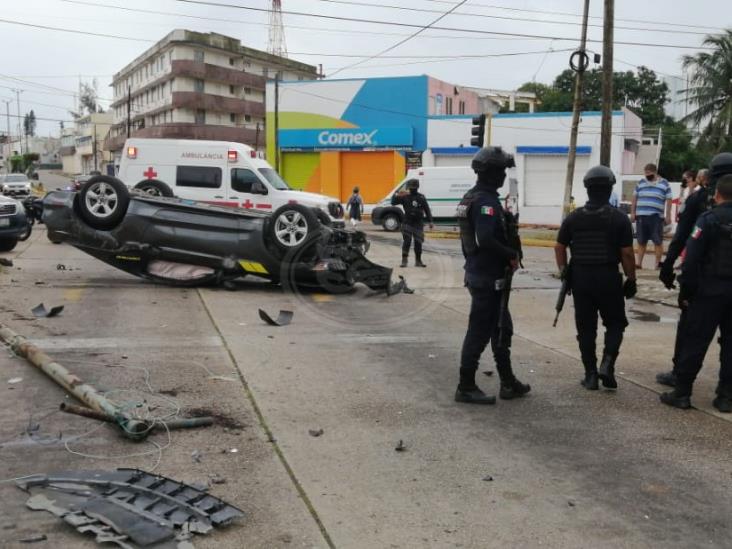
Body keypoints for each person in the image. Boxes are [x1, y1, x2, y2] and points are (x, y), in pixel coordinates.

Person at [454, 146, 530, 404]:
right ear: (491, 173)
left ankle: (508, 382)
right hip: (486, 277)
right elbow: (485, 239)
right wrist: (510, 253)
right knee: (480, 331)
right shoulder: (485, 201)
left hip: (482, 274)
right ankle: (465, 386)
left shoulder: (472, 197)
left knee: (501, 328)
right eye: (501, 172)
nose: (503, 177)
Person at [555, 166, 637, 390]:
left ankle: (590, 375)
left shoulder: (574, 217)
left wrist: (564, 272)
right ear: (610, 189)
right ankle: (607, 365)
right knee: (616, 323)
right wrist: (631, 279)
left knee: (586, 328)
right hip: (608, 277)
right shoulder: (619, 218)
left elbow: (559, 246)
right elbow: (627, 254)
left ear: (587, 189)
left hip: (581, 278)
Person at [660, 174, 732, 413]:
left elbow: (690, 262)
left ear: (718, 194)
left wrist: (686, 293)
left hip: (708, 292)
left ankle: (682, 392)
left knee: (695, 341)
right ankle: (726, 397)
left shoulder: (708, 220)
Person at [631, 163, 672, 269]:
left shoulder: (665, 183)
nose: (646, 175)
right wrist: (633, 213)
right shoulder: (640, 183)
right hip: (641, 216)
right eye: (645, 173)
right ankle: (639, 263)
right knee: (641, 241)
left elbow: (669, 200)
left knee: (657, 241)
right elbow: (634, 198)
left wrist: (668, 215)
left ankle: (657, 264)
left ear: (654, 172)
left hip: (656, 217)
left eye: (648, 173)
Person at [391, 179, 433, 268]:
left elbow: (427, 209)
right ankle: (404, 261)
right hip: (407, 223)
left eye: (414, 187)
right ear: (409, 188)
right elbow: (393, 202)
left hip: (418, 223)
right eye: (411, 188)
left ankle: (418, 261)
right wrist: (396, 193)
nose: (413, 189)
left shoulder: (421, 197)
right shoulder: (404, 197)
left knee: (418, 242)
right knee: (407, 242)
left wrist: (430, 221)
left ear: (417, 187)